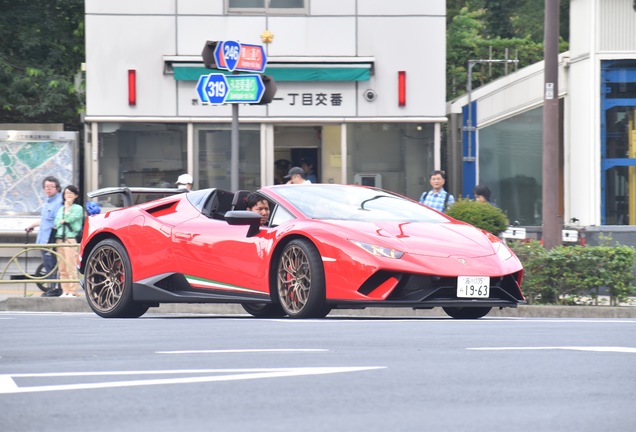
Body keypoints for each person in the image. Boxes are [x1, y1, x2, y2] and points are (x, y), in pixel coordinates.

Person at [25, 176, 64, 297]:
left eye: (51, 187)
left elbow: (56, 222)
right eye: (46, 187)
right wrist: (33, 225)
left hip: (51, 237)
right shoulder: (48, 201)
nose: (48, 189)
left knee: (52, 264)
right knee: (47, 264)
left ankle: (55, 289)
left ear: (57, 188)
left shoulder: (59, 202)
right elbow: (45, 220)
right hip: (43, 237)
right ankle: (51, 287)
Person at [53, 185, 84, 297]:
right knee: (62, 268)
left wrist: (67, 212)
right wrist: (63, 218)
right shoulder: (61, 208)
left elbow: (71, 219)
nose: (68, 195)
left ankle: (72, 291)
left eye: (71, 193)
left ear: (76, 195)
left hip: (70, 239)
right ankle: (65, 290)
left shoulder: (78, 208)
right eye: (66, 193)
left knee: (71, 266)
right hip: (59, 239)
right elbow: (56, 222)